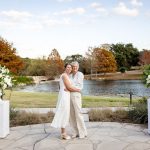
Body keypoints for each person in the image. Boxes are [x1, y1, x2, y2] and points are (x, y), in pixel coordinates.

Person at [51, 64, 80, 140]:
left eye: (70, 67)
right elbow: (69, 87)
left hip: (65, 95)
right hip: (64, 96)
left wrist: (68, 89)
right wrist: (78, 90)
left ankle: (63, 133)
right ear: (65, 68)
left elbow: (63, 86)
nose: (69, 68)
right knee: (64, 113)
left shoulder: (67, 76)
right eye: (68, 67)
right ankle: (63, 134)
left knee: (64, 113)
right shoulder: (64, 75)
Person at [69, 61, 87, 139]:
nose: (74, 68)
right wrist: (71, 88)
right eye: (73, 67)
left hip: (76, 95)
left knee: (78, 114)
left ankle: (82, 133)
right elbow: (68, 85)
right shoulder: (69, 75)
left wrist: (70, 88)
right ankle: (75, 132)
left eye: (76, 67)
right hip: (69, 95)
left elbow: (79, 86)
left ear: (78, 67)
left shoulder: (80, 74)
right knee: (71, 115)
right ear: (71, 68)